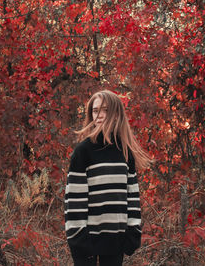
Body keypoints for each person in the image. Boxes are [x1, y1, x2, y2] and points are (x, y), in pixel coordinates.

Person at [64, 90, 152, 266]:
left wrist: (133, 232)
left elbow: (132, 196)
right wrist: (78, 239)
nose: (99, 115)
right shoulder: (83, 151)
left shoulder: (125, 151)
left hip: (115, 241)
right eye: (95, 111)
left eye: (104, 110)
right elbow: (74, 200)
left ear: (116, 113)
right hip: (86, 241)